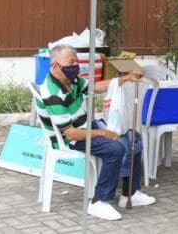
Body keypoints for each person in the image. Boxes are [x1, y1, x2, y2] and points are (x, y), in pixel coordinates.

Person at [36, 44, 154, 221]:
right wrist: (103, 133)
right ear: (55, 66)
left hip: (85, 126)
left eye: (76, 61)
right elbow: (70, 133)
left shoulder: (71, 80)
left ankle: (130, 193)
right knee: (115, 149)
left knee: (133, 138)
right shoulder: (51, 92)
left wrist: (127, 78)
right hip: (69, 138)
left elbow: (96, 87)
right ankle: (99, 201)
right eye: (71, 62)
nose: (76, 65)